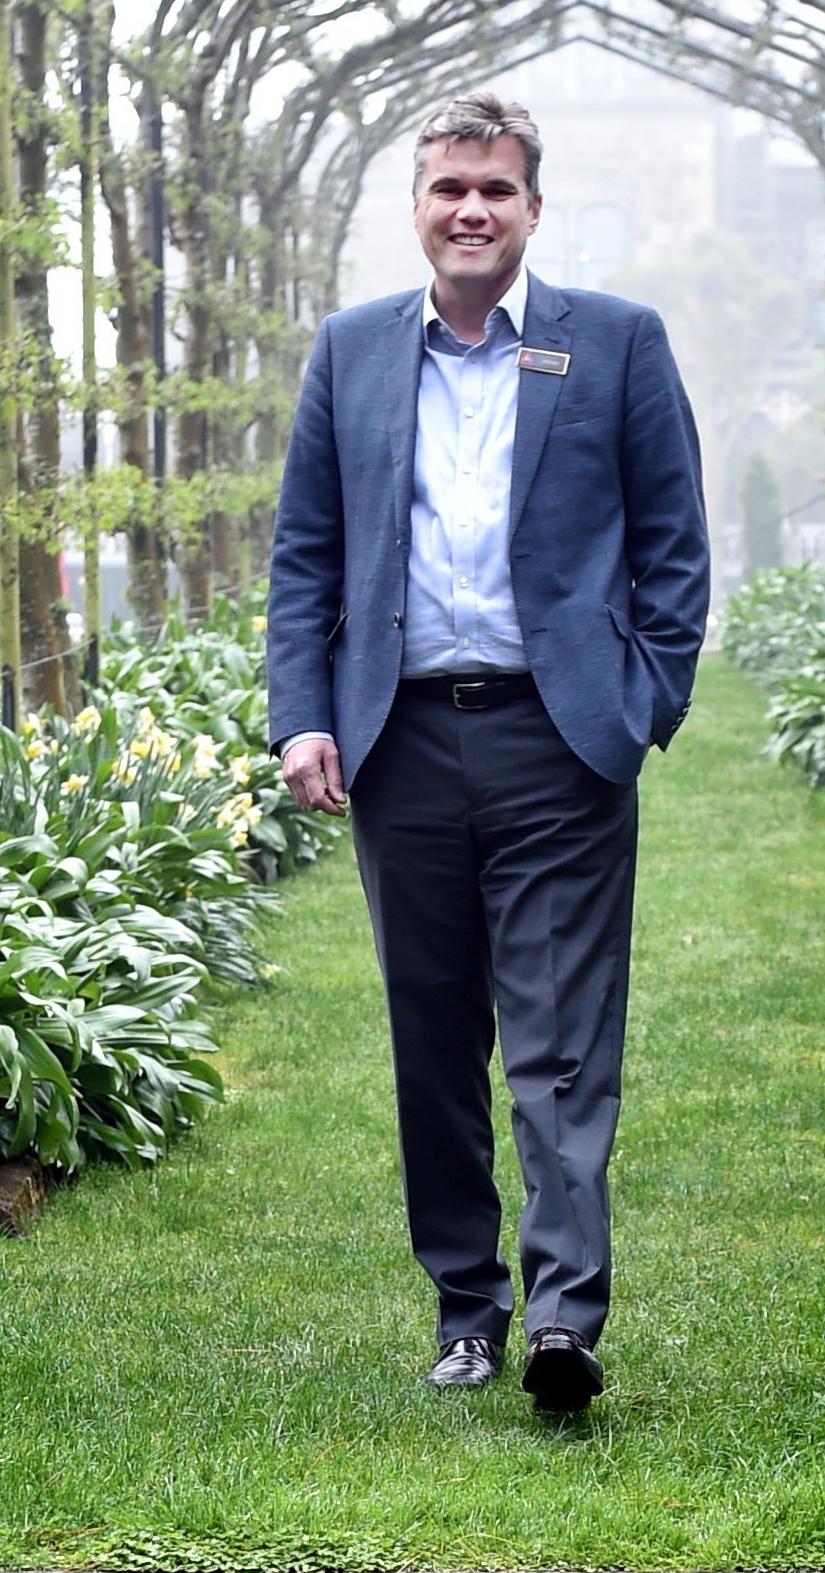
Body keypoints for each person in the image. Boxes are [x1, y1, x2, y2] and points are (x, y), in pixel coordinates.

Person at [266, 90, 710, 1415]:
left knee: (562, 1039)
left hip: (558, 743)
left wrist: (643, 707)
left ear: (531, 208)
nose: (472, 208)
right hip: (399, 748)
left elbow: (673, 547)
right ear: (417, 207)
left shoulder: (613, 345)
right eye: (450, 186)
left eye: (496, 189)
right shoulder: (350, 354)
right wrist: (304, 710)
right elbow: (307, 553)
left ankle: (565, 1314)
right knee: (433, 1036)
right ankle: (469, 1306)